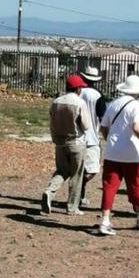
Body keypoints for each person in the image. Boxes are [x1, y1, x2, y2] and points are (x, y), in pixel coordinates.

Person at [98, 75, 139, 236]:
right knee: (135, 185)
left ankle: (105, 220)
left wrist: (110, 139)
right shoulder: (137, 105)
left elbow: (103, 128)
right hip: (131, 153)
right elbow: (137, 128)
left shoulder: (112, 104)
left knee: (109, 186)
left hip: (112, 151)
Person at [41, 75, 93, 216]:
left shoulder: (56, 102)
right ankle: (72, 207)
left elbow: (51, 123)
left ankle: (50, 192)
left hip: (60, 143)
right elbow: (86, 126)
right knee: (76, 175)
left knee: (62, 171)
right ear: (77, 89)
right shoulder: (79, 103)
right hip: (76, 142)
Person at [78, 66, 107, 208]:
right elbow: (103, 118)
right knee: (93, 169)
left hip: (77, 135)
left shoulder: (77, 92)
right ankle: (79, 190)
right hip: (92, 137)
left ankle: (79, 194)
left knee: (80, 168)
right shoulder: (97, 95)